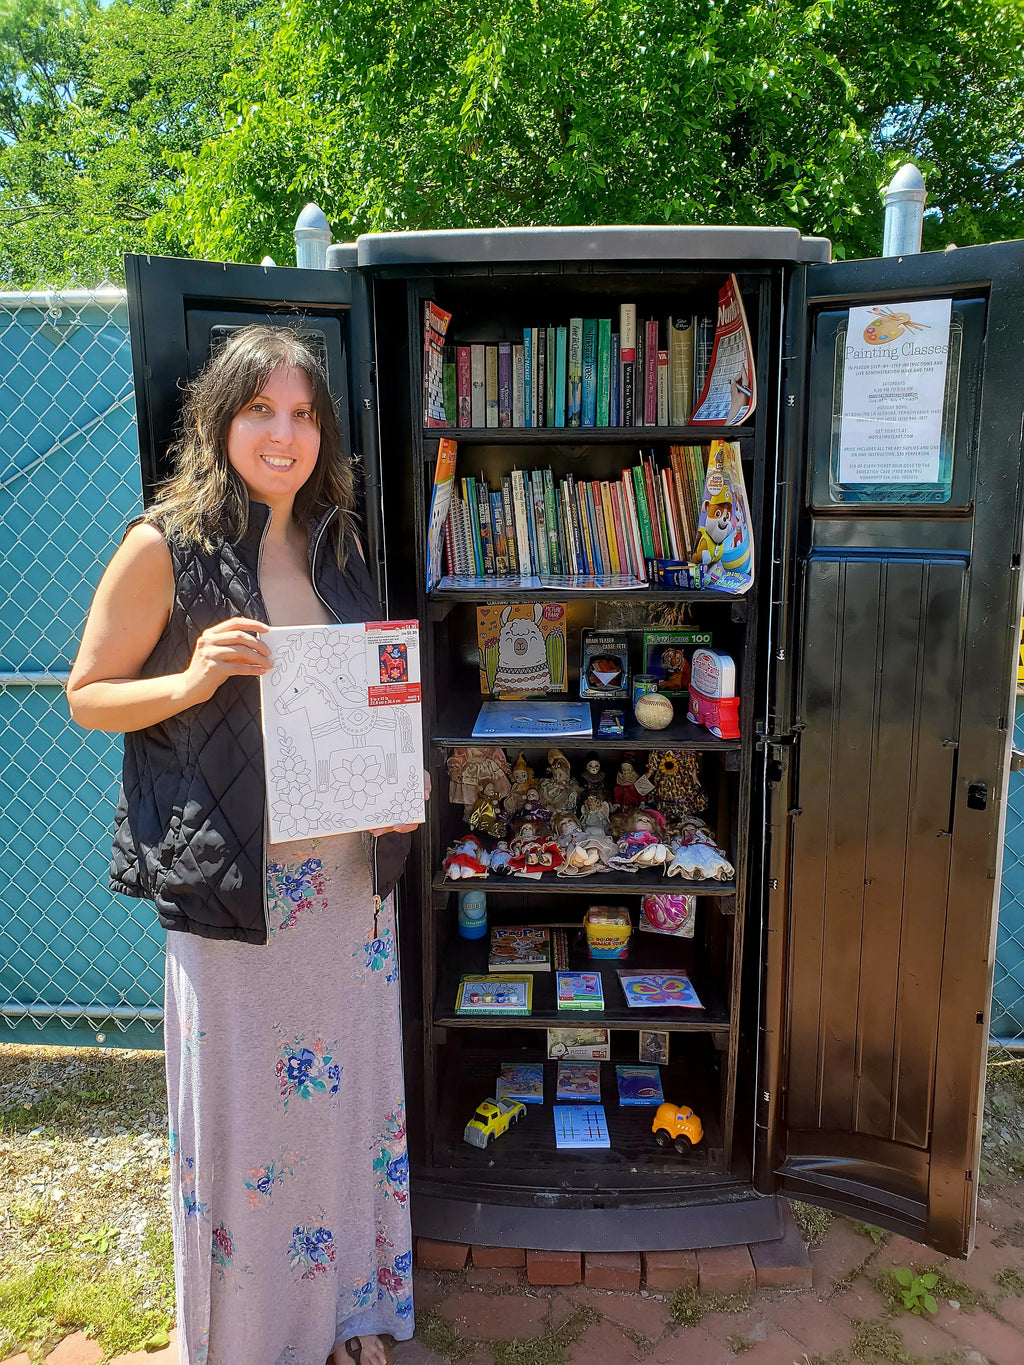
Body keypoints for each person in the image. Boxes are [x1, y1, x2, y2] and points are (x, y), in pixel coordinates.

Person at [67, 326, 424, 1365]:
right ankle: (250, 1338)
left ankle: (349, 1312)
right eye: (260, 410)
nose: (283, 433)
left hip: (349, 879)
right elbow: (88, 697)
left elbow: (366, 699)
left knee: (344, 1104)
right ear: (219, 420)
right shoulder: (162, 544)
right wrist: (187, 682)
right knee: (248, 1130)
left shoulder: (337, 541)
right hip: (236, 889)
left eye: (304, 414)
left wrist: (396, 786)